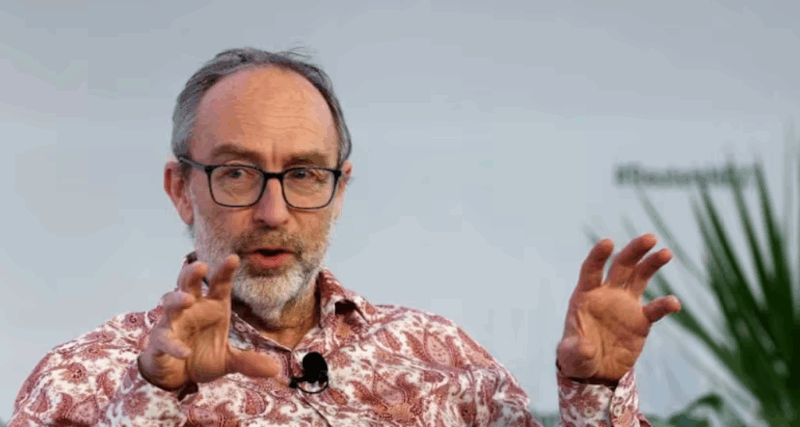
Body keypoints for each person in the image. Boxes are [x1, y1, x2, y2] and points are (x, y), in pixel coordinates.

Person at [9, 47, 682, 427]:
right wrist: (153, 397)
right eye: (238, 173)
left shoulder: (445, 358)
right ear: (180, 187)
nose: (273, 210)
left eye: (304, 174)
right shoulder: (80, 377)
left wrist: (596, 390)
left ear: (339, 187)